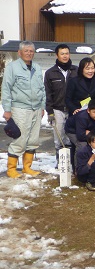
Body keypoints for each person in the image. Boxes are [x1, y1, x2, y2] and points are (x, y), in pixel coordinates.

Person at [2, 41, 46, 178]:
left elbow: (42, 89)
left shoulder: (37, 68)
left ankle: (27, 167)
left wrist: (42, 106)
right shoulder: (12, 68)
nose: (29, 53)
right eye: (26, 51)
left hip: (36, 109)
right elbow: (6, 89)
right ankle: (11, 169)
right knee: (20, 138)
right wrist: (7, 109)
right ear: (20, 52)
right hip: (20, 108)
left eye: (31, 51)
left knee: (33, 140)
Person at [44, 43, 78, 163]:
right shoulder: (50, 73)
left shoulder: (76, 70)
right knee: (59, 137)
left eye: (67, 53)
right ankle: (61, 162)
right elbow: (48, 94)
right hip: (57, 109)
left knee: (71, 137)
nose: (65, 56)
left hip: (73, 109)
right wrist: (50, 111)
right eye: (62, 54)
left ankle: (71, 162)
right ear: (57, 55)